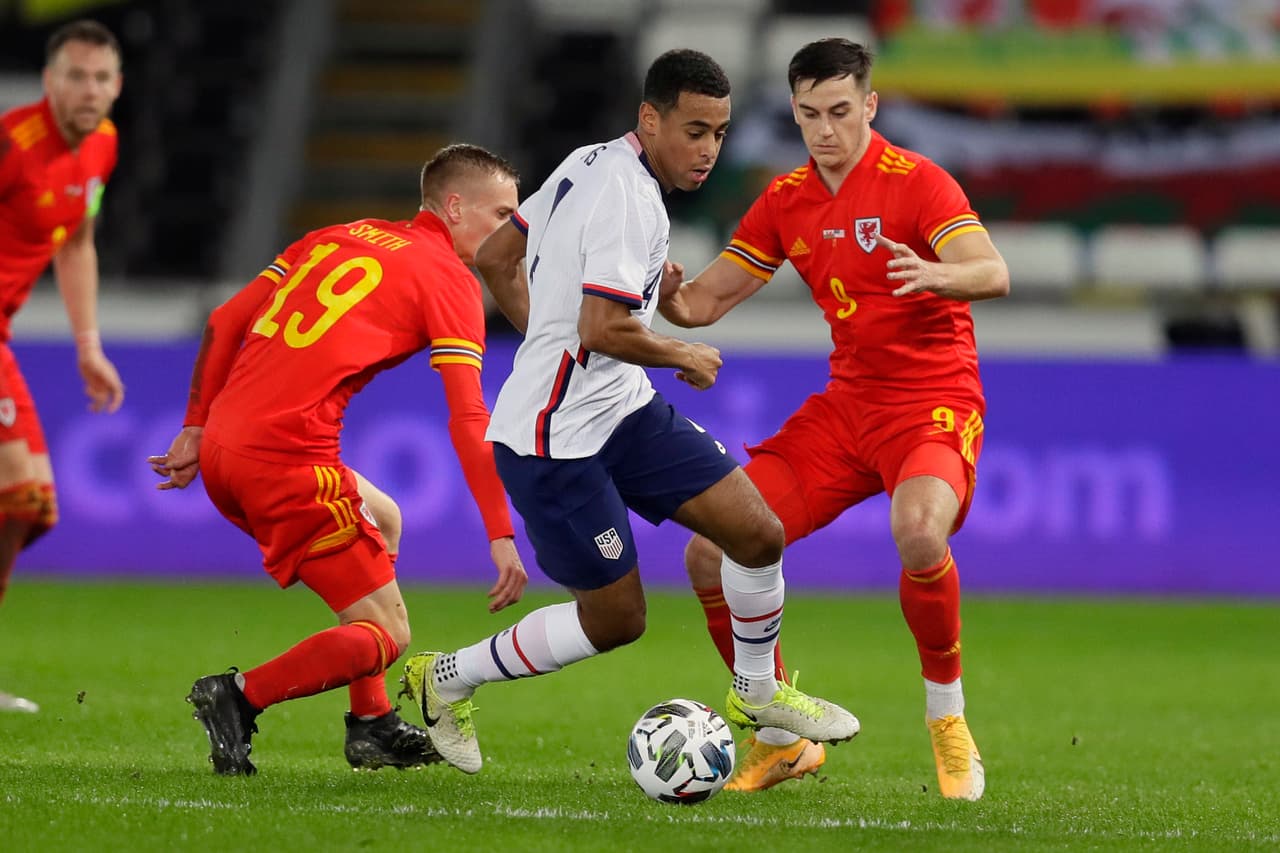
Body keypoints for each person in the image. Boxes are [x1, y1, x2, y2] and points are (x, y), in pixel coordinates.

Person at [397, 49, 858, 776]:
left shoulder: (591, 160)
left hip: (622, 408)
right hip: (556, 443)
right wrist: (683, 354)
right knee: (618, 620)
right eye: (695, 130)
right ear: (651, 118)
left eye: (720, 132)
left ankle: (758, 695)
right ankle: (445, 676)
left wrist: (541, 333)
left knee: (758, 532)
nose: (708, 150)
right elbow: (600, 330)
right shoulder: (626, 198)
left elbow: (493, 254)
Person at [659, 39, 1009, 800]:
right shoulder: (786, 199)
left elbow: (993, 270)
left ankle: (947, 721)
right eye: (810, 114)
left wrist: (936, 273)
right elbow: (706, 302)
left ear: (870, 106)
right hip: (846, 408)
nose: (826, 130)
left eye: (841, 112)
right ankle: (782, 737)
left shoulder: (918, 184)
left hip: (931, 403)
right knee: (707, 555)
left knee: (919, 533)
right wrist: (665, 294)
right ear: (794, 110)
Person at [147, 144, 529, 775]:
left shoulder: (338, 235)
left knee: (385, 517)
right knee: (388, 636)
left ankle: (372, 724)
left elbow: (223, 320)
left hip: (223, 448)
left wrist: (194, 426)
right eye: (502, 215)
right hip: (288, 460)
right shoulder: (451, 280)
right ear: (455, 206)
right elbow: (467, 418)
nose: (509, 231)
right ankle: (240, 697)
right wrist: (500, 532)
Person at [0, 19, 125, 713]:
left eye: (101, 77)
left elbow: (75, 242)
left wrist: (87, 345)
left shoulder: (102, 145)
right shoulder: (12, 146)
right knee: (18, 496)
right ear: (49, 82)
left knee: (26, 509)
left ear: (118, 86)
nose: (89, 89)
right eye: (75, 76)